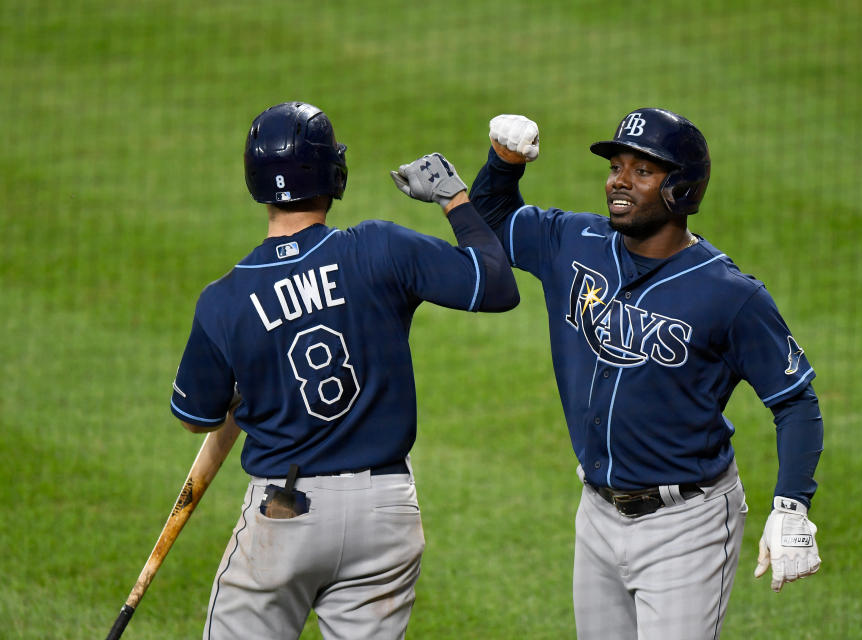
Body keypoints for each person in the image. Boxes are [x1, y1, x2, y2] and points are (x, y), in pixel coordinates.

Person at [169, 101, 519, 639]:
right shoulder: (380, 248)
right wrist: (454, 199)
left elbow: (197, 417)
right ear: (333, 174)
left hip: (283, 518)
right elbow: (496, 286)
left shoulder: (225, 300)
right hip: (385, 515)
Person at [468, 110, 823, 639]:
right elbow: (493, 218)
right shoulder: (574, 242)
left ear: (681, 188)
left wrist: (791, 505)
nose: (618, 180)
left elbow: (795, 400)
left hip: (689, 524)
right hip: (596, 512)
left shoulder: (731, 295)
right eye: (616, 166)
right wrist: (504, 163)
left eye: (642, 171)